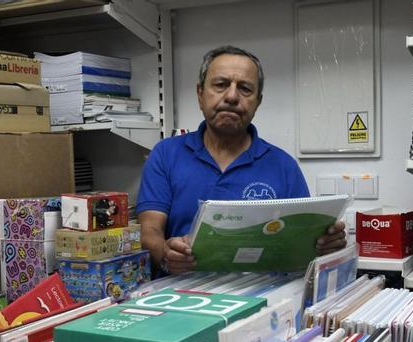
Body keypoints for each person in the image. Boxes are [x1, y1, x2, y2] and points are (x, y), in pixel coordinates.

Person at [136, 45, 346, 274]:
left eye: (245, 88)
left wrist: (326, 244)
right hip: (183, 295)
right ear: (200, 93)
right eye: (220, 85)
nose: (232, 96)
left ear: (258, 102)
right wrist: (166, 255)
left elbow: (304, 242)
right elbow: (149, 232)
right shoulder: (165, 155)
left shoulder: (283, 166)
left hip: (264, 298)